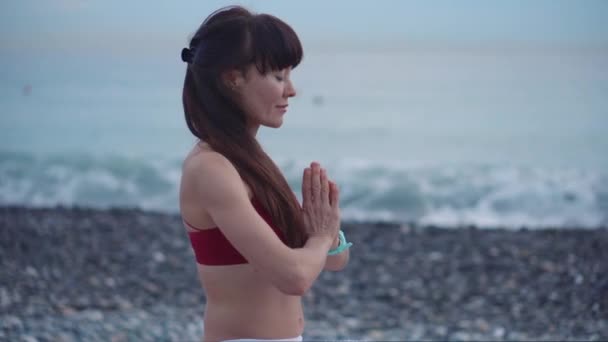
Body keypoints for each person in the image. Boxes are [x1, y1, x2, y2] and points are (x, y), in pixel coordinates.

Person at [178, 6, 352, 342]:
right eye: (278, 76)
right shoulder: (211, 168)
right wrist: (320, 238)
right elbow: (295, 277)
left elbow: (333, 261)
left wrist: (327, 232)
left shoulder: (249, 160)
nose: (292, 90)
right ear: (233, 79)